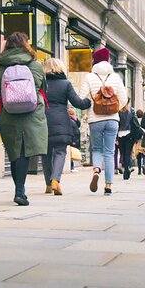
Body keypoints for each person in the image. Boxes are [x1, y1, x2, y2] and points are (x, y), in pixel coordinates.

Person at [0, 32, 47, 206]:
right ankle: (20, 191)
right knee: (24, 152)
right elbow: (43, 87)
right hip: (32, 112)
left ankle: (19, 190)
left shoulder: (0, 67)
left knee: (15, 153)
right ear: (26, 44)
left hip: (8, 114)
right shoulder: (35, 64)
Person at [79, 48, 128, 195]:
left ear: (95, 60)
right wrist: (114, 109)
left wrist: (90, 109)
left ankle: (96, 170)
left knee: (97, 149)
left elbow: (82, 98)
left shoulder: (89, 77)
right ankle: (108, 186)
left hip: (95, 119)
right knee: (109, 152)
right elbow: (124, 98)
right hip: (112, 120)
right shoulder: (116, 77)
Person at [41, 58, 90, 195]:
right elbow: (77, 102)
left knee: (45, 153)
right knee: (61, 151)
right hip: (61, 120)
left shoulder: (42, 83)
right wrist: (89, 102)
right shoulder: (66, 84)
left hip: (43, 120)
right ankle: (56, 179)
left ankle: (48, 185)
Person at [117, 106, 142, 180]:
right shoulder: (131, 110)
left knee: (123, 153)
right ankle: (126, 169)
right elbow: (135, 124)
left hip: (120, 134)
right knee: (128, 153)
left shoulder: (118, 110)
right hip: (129, 134)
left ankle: (125, 167)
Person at [133, 110, 145, 175]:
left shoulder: (135, 120)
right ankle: (144, 166)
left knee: (138, 156)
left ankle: (139, 170)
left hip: (138, 140)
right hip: (144, 139)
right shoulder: (144, 120)